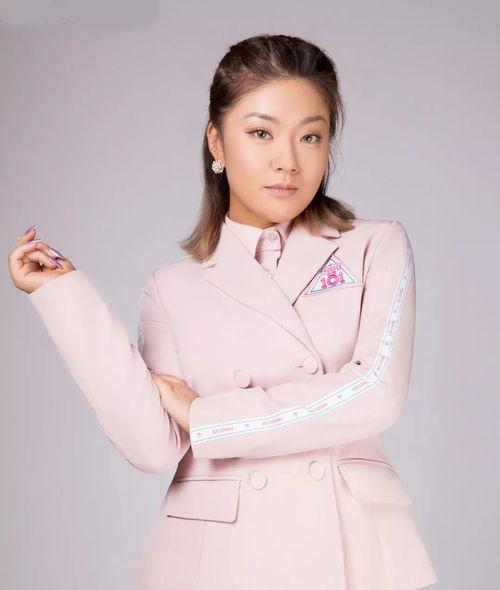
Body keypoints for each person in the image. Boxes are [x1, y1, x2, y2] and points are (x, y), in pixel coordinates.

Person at [8, 34, 438, 590]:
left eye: (310, 136)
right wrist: (65, 299)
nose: (288, 162)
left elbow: (377, 393)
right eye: (261, 133)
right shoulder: (172, 287)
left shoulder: (375, 245)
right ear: (217, 140)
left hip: (349, 547)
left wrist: (209, 418)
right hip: (218, 556)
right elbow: (151, 446)